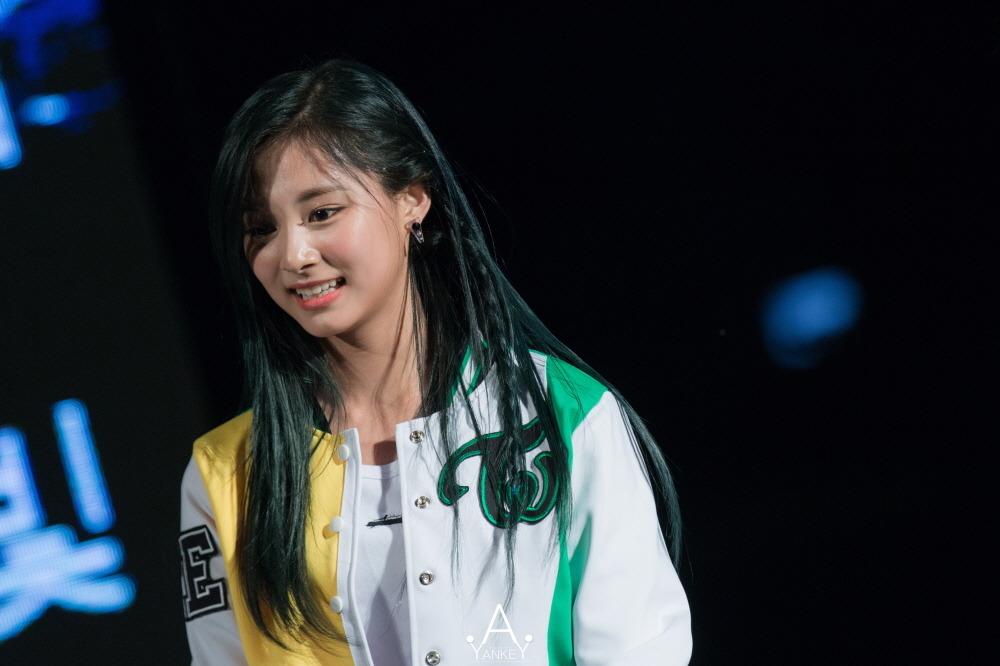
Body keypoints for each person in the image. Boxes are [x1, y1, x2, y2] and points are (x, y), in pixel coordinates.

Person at [179, 59, 691, 665]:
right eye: (260, 228)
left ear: (412, 200)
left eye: (322, 213)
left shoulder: (564, 413)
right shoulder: (225, 473)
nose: (292, 254)